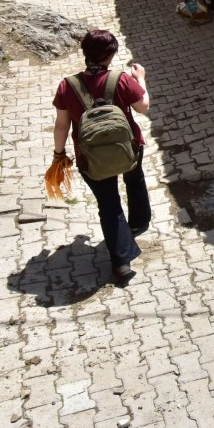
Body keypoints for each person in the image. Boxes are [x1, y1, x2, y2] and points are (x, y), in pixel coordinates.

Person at [53, 30, 150, 286]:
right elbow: (143, 107)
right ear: (111, 55)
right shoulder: (121, 79)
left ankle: (121, 263)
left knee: (109, 204)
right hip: (128, 147)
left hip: (90, 156)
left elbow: (61, 125)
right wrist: (140, 79)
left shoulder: (67, 85)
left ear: (85, 53)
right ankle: (138, 223)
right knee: (134, 179)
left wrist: (59, 154)